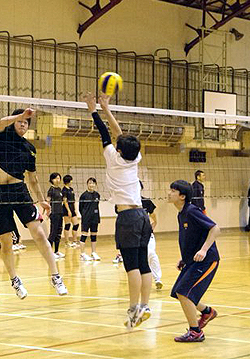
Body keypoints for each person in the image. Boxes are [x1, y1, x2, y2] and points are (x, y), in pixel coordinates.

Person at [85, 92, 152, 329]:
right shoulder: (135, 157)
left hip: (127, 218)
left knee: (131, 266)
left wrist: (93, 110)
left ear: (120, 151)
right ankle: (145, 305)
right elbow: (118, 134)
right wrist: (105, 107)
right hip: (142, 216)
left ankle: (134, 309)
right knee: (143, 264)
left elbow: (106, 133)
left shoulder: (113, 158)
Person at [0, 108, 67, 299]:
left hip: (19, 191)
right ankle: (15, 280)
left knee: (39, 233)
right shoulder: (3, 135)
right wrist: (21, 115)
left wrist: (41, 200)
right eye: (20, 121)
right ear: (14, 122)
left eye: (26, 122)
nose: (23, 124)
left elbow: (33, 178)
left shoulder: (29, 148)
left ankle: (55, 276)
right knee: (6, 242)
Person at [168, 180, 221, 342]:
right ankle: (207, 312)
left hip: (207, 260)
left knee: (184, 292)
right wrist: (184, 259)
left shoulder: (191, 211)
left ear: (182, 196)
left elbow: (215, 229)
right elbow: (191, 238)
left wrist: (204, 250)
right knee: (178, 292)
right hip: (193, 261)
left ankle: (196, 332)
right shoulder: (181, 213)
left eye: (173, 191)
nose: (169, 193)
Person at [141, 181, 163, 290]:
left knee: (151, 254)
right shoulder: (127, 203)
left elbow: (153, 215)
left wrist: (154, 223)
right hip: (134, 236)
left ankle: (157, 279)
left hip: (147, 234)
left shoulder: (146, 202)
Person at [78, 177, 100, 261]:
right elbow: (80, 208)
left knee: (94, 236)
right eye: (90, 183)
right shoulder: (83, 195)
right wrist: (85, 215)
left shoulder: (97, 195)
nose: (91, 185)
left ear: (95, 184)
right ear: (87, 184)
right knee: (84, 235)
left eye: (93, 183)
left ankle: (93, 252)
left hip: (95, 218)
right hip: (86, 218)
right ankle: (82, 254)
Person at [47, 172, 65, 259]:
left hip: (60, 213)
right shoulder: (51, 189)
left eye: (58, 178)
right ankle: (49, 252)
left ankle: (56, 251)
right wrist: (48, 211)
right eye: (55, 178)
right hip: (54, 213)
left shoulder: (59, 189)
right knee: (53, 232)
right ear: (52, 180)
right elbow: (48, 201)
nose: (57, 180)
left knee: (58, 232)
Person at [62, 174, 79, 248]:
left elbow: (73, 200)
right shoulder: (64, 190)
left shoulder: (71, 189)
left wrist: (74, 210)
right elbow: (65, 201)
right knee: (67, 225)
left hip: (72, 208)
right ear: (68, 181)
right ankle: (66, 242)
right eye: (71, 180)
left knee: (76, 224)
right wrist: (68, 211)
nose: (72, 181)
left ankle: (74, 241)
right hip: (66, 209)